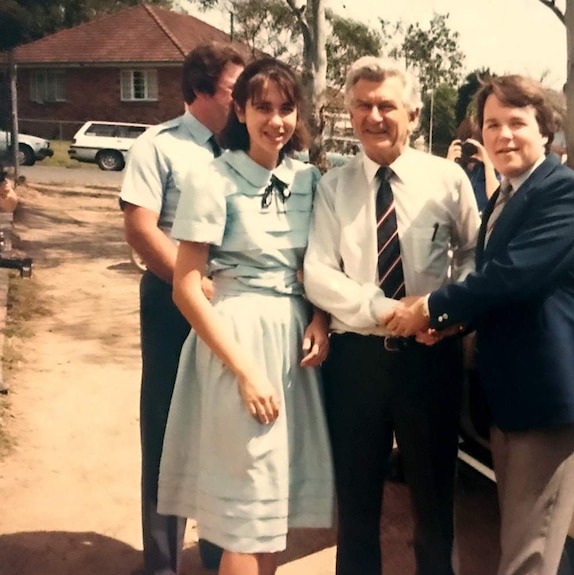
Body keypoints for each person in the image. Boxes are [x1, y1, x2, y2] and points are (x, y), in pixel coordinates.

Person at [384, 74, 574, 575]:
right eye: (492, 124)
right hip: (513, 398)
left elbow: (512, 277)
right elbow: (499, 291)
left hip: (549, 399)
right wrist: (454, 327)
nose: (503, 135)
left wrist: (433, 308)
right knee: (534, 543)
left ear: (545, 131)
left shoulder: (562, 191)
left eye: (516, 123)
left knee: (527, 555)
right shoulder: (506, 195)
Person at [157, 58, 335, 575]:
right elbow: (187, 288)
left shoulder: (309, 181)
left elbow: (320, 268)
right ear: (239, 109)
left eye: (285, 108)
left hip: (291, 349)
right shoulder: (213, 177)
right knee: (245, 511)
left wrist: (319, 321)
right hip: (239, 344)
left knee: (272, 508)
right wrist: (243, 370)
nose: (275, 120)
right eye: (262, 108)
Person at [303, 56, 480, 575]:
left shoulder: (448, 180)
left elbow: (474, 256)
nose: (374, 116)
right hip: (357, 363)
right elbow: (317, 272)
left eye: (387, 105)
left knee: (432, 501)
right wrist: (384, 311)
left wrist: (446, 313)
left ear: (414, 113)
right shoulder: (332, 187)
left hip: (431, 356)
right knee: (357, 504)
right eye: (363, 105)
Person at [120, 41, 245, 575]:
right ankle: (164, 563)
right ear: (199, 90)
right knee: (169, 430)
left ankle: (218, 555)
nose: (245, 104)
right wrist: (193, 286)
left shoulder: (246, 148)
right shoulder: (159, 146)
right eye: (235, 92)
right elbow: (142, 230)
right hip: (174, 304)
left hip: (237, 311)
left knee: (224, 433)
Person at [446, 117, 498, 211]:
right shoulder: (456, 169)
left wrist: (488, 165)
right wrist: (448, 165)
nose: (471, 147)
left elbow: (496, 200)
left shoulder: (494, 170)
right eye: (467, 143)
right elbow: (440, 197)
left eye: (476, 143)